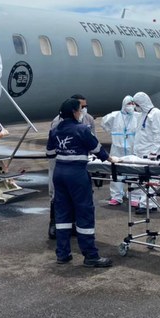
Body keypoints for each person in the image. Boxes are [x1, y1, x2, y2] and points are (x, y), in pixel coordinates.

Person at [46, 98, 117, 267]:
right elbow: (98, 150)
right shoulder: (82, 129)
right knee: (84, 212)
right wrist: (111, 159)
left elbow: (49, 153)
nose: (81, 112)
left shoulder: (55, 130)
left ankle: (62, 254)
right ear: (74, 112)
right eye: (80, 109)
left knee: (62, 214)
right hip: (76, 174)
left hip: (59, 173)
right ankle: (91, 255)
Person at [47, 93, 96, 239]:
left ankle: (74, 225)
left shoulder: (89, 119)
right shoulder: (57, 122)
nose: (83, 109)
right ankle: (53, 223)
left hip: (80, 163)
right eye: (81, 107)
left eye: (85, 106)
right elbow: (53, 148)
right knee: (57, 194)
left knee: (77, 196)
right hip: (60, 162)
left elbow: (93, 140)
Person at [130, 91, 160, 214]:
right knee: (144, 179)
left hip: (151, 154)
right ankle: (145, 202)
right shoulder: (143, 115)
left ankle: (148, 204)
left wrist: (154, 153)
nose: (136, 106)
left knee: (152, 180)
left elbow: (159, 135)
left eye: (137, 104)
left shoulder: (156, 114)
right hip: (142, 153)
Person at [101, 95, 140, 206]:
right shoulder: (114, 116)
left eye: (133, 104)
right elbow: (104, 124)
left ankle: (135, 196)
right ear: (124, 104)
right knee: (116, 173)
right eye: (129, 104)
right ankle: (116, 196)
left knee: (135, 172)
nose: (131, 106)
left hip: (133, 149)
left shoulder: (138, 116)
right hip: (117, 149)